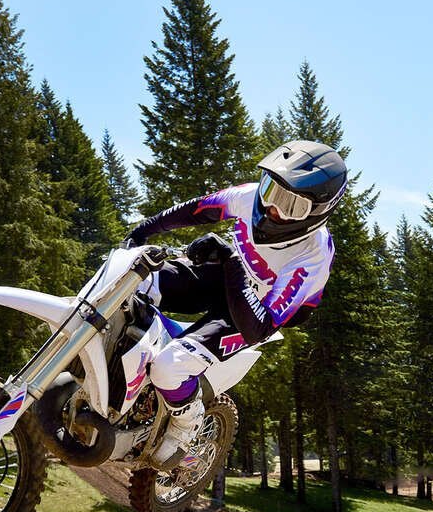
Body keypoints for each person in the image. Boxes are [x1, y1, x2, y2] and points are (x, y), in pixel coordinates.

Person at [124, 139, 347, 468]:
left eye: (290, 204)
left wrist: (230, 259)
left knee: (169, 367)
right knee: (131, 277)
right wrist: (141, 232)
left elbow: (257, 328)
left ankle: (187, 422)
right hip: (223, 278)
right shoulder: (249, 196)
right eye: (271, 189)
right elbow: (196, 209)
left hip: (251, 312)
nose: (271, 207)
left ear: (317, 212)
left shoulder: (312, 257)